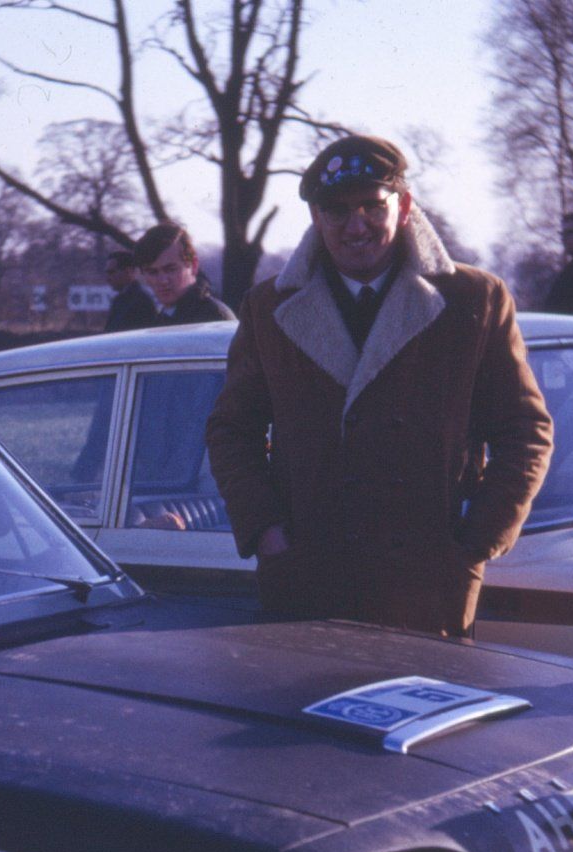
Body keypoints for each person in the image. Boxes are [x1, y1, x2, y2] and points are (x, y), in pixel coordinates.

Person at [205, 133, 553, 637]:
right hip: (307, 584)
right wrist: (266, 532)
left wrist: (478, 538)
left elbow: (526, 429)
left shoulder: (473, 300)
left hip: (427, 588)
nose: (357, 225)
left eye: (373, 205)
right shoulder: (269, 309)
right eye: (338, 210)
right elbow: (231, 430)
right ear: (316, 219)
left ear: (405, 206)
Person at [132, 223, 235, 326]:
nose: (163, 280)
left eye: (171, 269)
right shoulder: (163, 317)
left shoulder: (215, 318)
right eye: (152, 272)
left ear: (193, 265)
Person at [101, 249, 155, 333]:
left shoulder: (141, 302)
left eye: (111, 272)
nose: (107, 278)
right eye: (107, 273)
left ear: (128, 272)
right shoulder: (119, 300)